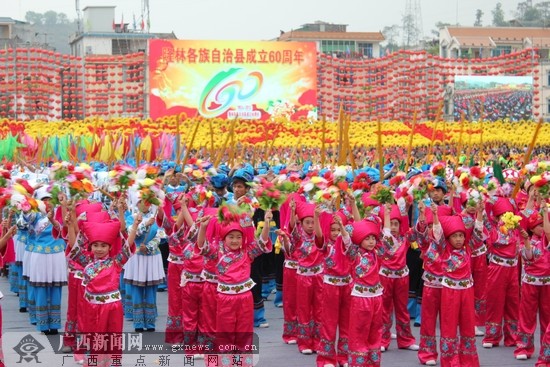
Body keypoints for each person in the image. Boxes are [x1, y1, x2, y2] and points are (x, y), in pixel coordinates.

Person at [196, 208, 272, 356]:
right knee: (225, 332)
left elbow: (262, 242)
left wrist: (267, 223)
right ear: (223, 238)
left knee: (244, 331)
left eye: (238, 237)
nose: (235, 240)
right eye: (231, 237)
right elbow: (202, 246)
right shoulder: (217, 252)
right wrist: (203, 227)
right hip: (225, 299)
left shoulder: (247, 252)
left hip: (245, 297)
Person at [67, 210, 135, 367]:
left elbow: (127, 247)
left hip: (112, 307)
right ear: (90, 247)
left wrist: (135, 225)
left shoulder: (115, 263)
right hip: (92, 307)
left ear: (110, 247)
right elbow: (74, 246)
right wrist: (71, 225)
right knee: (95, 339)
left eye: (103, 246)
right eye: (95, 245)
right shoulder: (86, 263)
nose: (99, 249)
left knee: (112, 338)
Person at [427, 211, 482, 367]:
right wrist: (435, 215)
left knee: (468, 325)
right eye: (454, 236)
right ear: (448, 239)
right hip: (449, 291)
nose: (458, 239)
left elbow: (478, 232)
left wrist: (480, 213)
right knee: (449, 326)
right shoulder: (444, 249)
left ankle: (468, 361)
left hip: (467, 291)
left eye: (461, 235)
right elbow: (437, 233)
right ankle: (450, 361)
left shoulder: (468, 248)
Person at [345, 216, 385, 367]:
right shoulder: (354, 254)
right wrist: (345, 229)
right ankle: (358, 363)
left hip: (376, 297)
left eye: (373, 238)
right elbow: (347, 241)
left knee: (375, 331)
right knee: (359, 331)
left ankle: (373, 363)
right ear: (359, 240)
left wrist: (385, 215)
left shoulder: (377, 253)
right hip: (360, 298)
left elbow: (384, 236)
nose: (371, 241)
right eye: (367, 238)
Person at [514, 206, 550, 361]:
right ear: (532, 228)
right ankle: (524, 347)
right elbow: (528, 257)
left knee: (547, 317)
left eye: (543, 225)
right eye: (539, 226)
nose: (542, 228)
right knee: (527, 316)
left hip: (547, 283)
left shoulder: (547, 241)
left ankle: (546, 349)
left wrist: (544, 211)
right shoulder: (525, 241)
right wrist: (527, 241)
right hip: (530, 283)